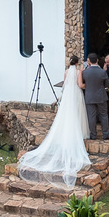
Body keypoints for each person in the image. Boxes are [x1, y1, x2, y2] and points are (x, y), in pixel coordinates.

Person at [18, 56, 90, 188]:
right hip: (76, 94)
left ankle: (68, 132)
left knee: (67, 114)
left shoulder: (67, 71)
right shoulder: (79, 72)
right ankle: (78, 132)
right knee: (77, 113)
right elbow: (79, 85)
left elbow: (65, 84)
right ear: (78, 63)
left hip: (68, 94)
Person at [81, 53, 109, 140]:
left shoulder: (85, 72)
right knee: (103, 115)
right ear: (97, 60)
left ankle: (93, 135)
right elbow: (106, 85)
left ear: (89, 61)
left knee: (91, 116)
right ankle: (106, 134)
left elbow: (83, 83)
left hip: (89, 96)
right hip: (101, 96)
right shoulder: (102, 72)